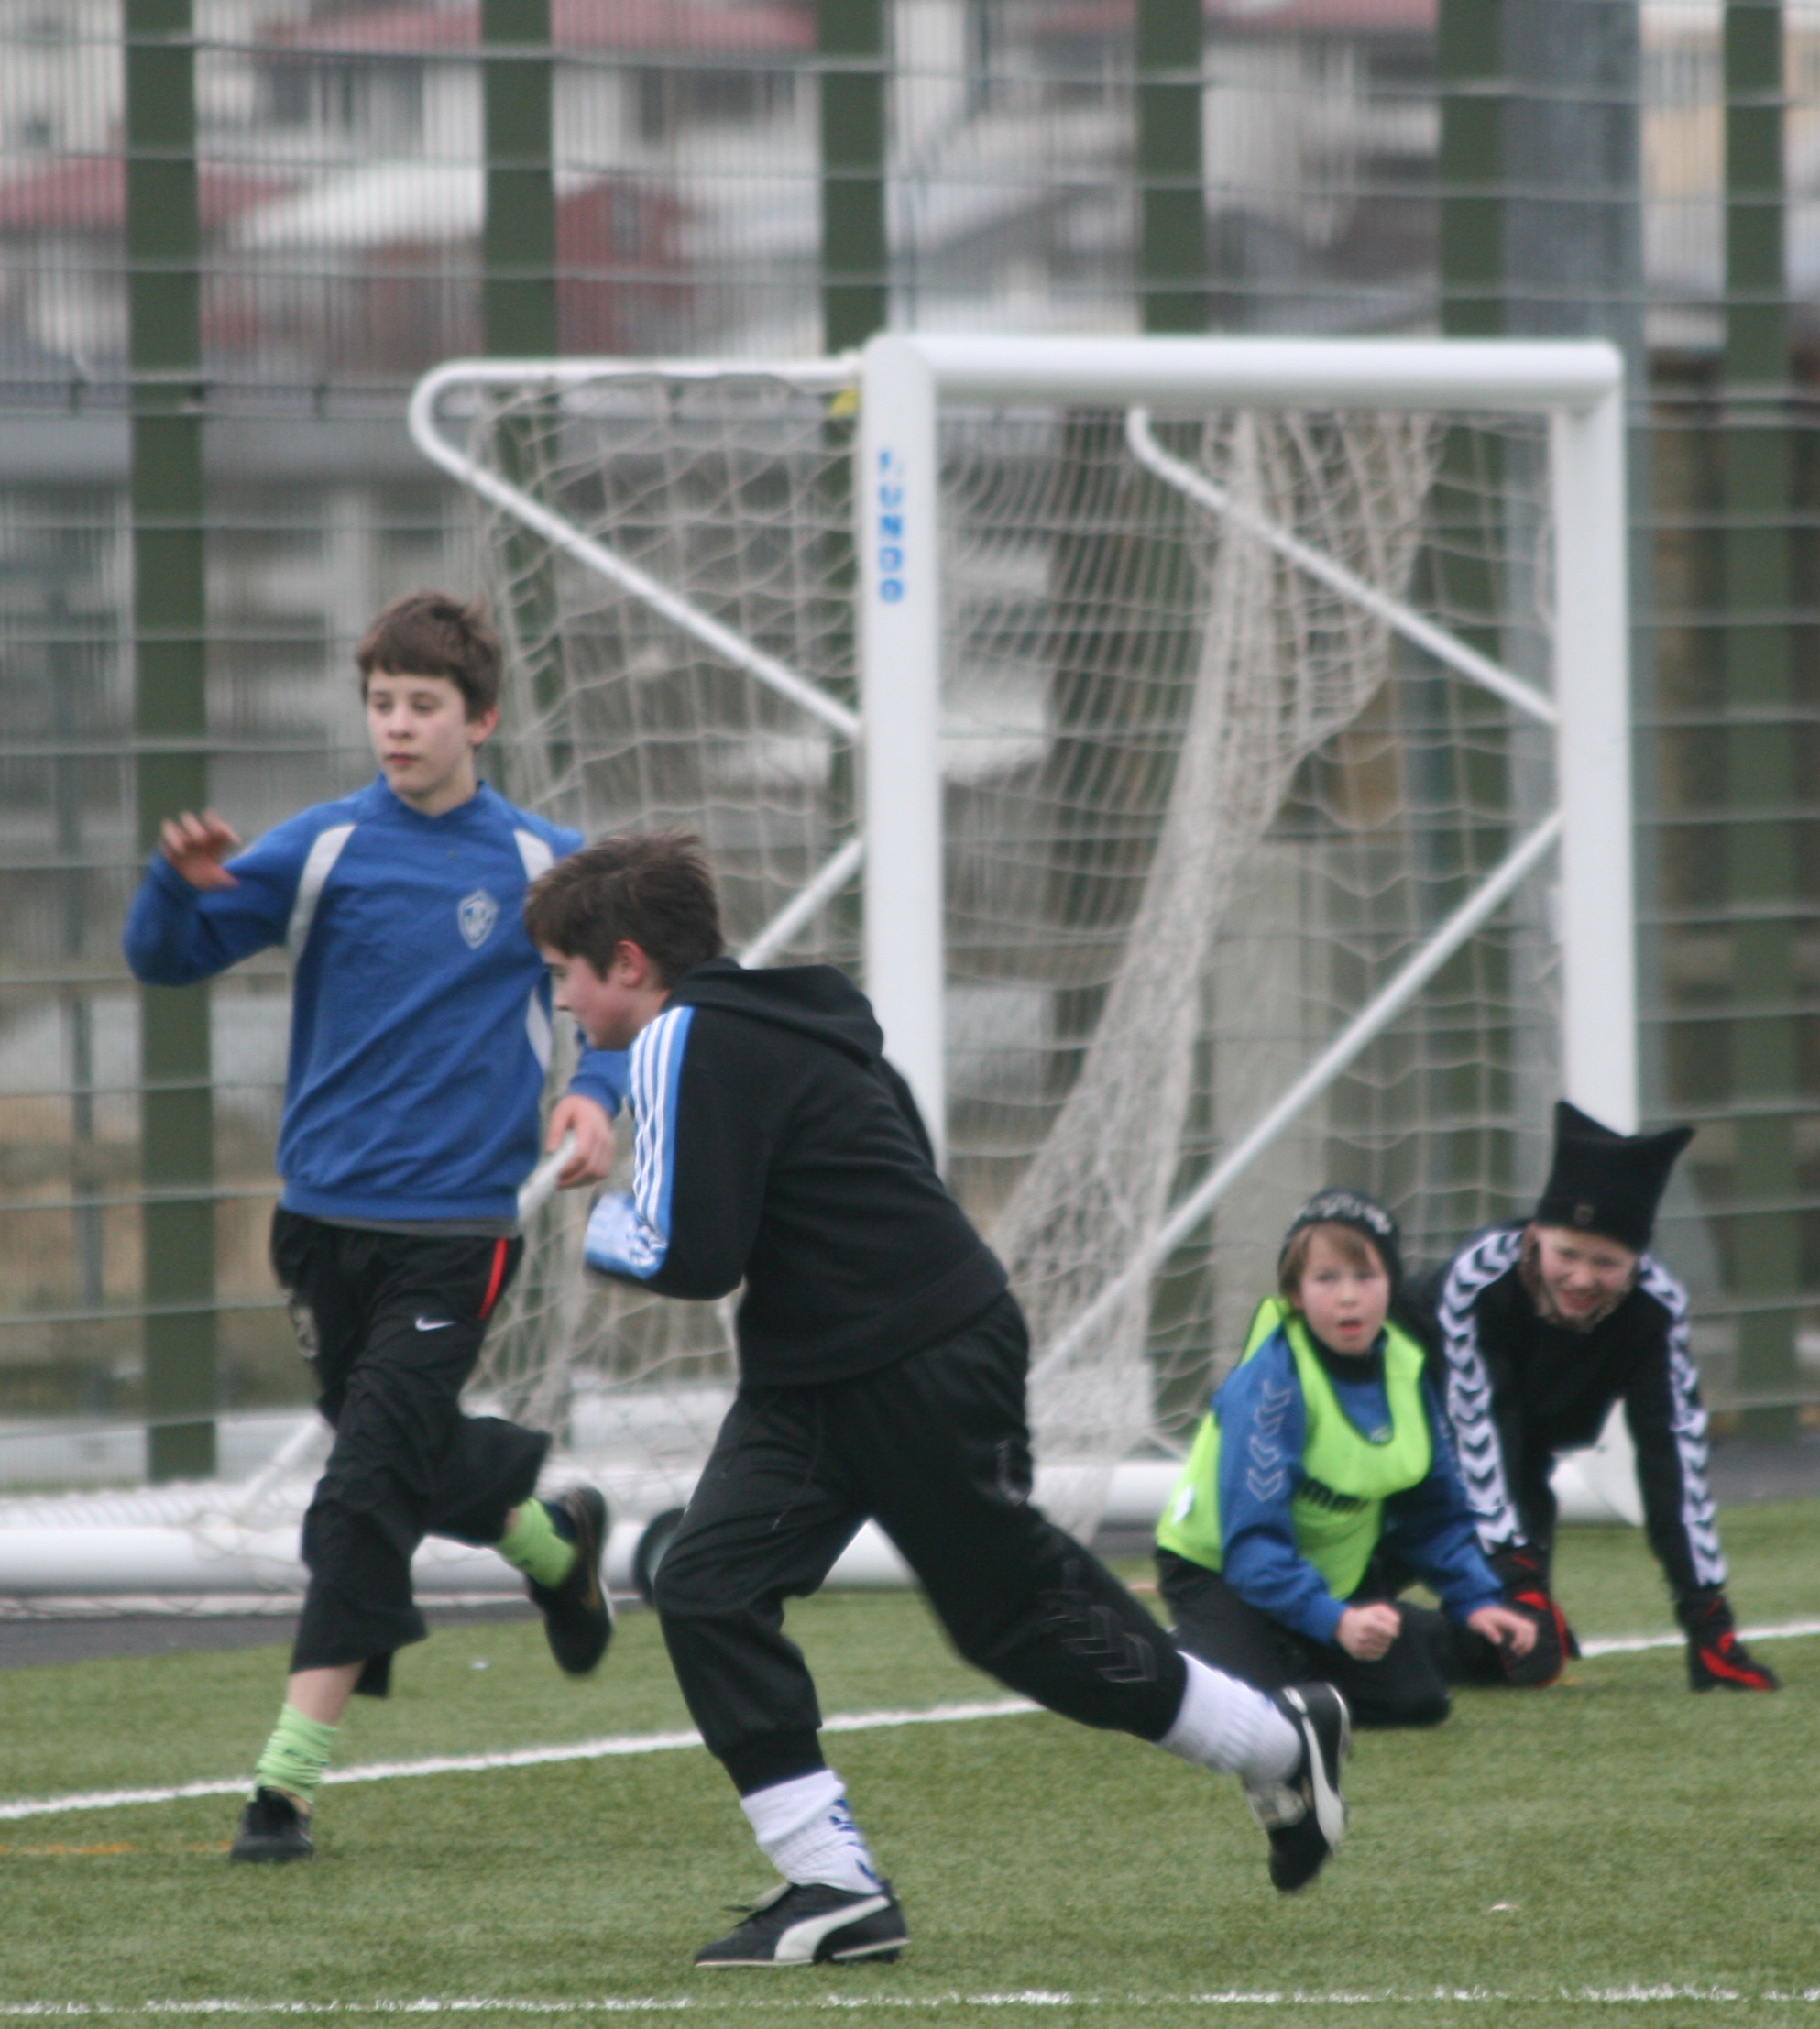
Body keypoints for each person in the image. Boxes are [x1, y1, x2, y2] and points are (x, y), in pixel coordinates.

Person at [524, 828, 1352, 1968]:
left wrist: (592, 1216)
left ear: (626, 963)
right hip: (827, 1371)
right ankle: (833, 1885)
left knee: (1017, 1622)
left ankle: (1276, 1742)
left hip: (915, 1356)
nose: (562, 1002)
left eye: (563, 976)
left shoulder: (682, 1037)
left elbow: (690, 1254)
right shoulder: (779, 1021)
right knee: (707, 1582)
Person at [124, 591, 628, 1867]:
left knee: (358, 1493)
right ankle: (550, 1544)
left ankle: (282, 1788)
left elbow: (627, 995)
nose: (397, 726)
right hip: (318, 1227)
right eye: (381, 704)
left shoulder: (540, 864)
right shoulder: (325, 847)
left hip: (459, 1233)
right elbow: (166, 958)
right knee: (392, 1454)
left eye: (423, 705)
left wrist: (597, 1090)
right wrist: (175, 886)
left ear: (482, 719)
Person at [1408, 1103, 1780, 1694]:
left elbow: (1674, 1460)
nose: (1582, 1279)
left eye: (1606, 1262)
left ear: (1636, 1262)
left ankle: (1401, 1639)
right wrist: (1518, 1576)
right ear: (1536, 1235)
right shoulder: (1476, 1281)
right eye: (1567, 1254)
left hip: (1517, 1461)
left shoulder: (1656, 1310)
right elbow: (1478, 1434)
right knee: (1348, 1598)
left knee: (1525, 1660)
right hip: (1401, 1455)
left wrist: (1708, 1617)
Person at [1152, 1190, 1545, 1724]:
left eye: (1366, 1276)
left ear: (1392, 1284)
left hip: (1329, 1578)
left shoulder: (1406, 1369)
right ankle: (1199, 1641)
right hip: (1221, 1572)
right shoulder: (1271, 1385)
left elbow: (1434, 1514)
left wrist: (1475, 1599)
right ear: (1294, 1293)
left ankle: (1319, 1638)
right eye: (1326, 1278)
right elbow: (1253, 1549)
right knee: (1264, 1717)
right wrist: (1334, 1621)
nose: (1348, 1297)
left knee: (1418, 1703)